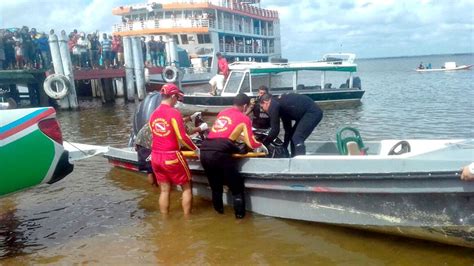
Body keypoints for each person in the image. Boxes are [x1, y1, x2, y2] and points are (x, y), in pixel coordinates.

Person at [200, 93, 266, 219]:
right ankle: (240, 220)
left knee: (216, 188)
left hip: (205, 150)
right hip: (220, 153)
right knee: (237, 188)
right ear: (245, 106)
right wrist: (263, 147)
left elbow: (222, 132)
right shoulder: (244, 118)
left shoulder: (222, 113)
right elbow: (252, 142)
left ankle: (218, 217)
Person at [149, 83, 199, 216]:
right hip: (171, 156)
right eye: (177, 97)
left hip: (155, 156)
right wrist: (196, 149)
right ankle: (188, 219)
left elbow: (154, 134)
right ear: (172, 96)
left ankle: (165, 218)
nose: (177, 100)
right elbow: (182, 137)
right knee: (187, 187)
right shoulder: (174, 113)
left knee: (164, 190)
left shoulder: (153, 114)